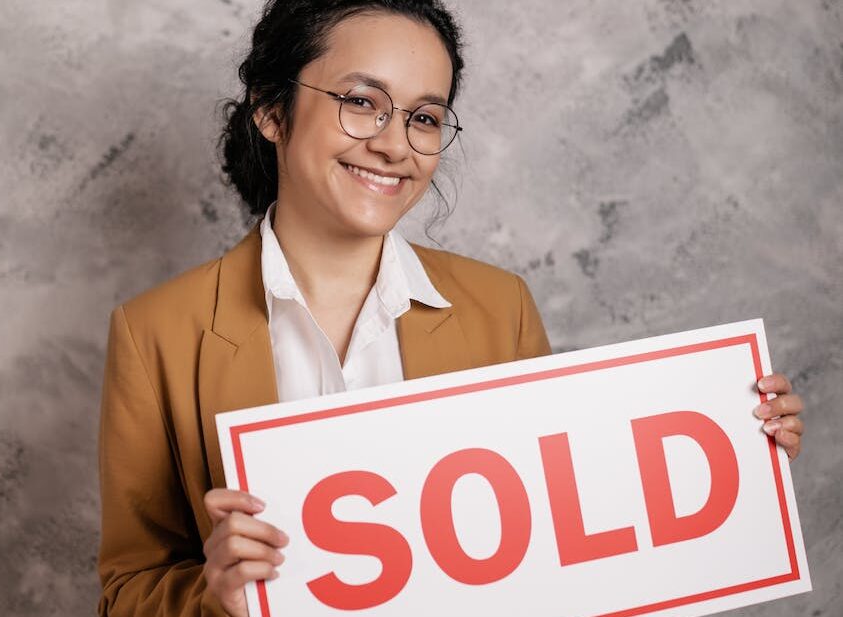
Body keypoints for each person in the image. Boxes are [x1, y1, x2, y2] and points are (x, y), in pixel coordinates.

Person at [96, 1, 806, 615]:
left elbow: (561, 528)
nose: (395, 143)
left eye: (425, 117)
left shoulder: (499, 308)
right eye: (361, 101)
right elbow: (127, 588)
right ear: (273, 112)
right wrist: (213, 600)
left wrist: (738, 440)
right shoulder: (155, 333)